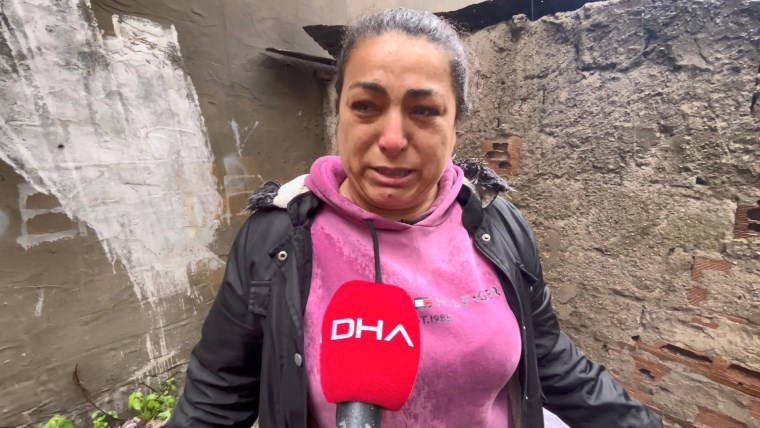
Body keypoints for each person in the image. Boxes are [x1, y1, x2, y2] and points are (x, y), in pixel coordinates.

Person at [167, 8, 663, 428]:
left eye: (424, 111)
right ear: (339, 112)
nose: (392, 139)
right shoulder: (276, 237)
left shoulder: (496, 224)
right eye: (366, 106)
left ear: (457, 122)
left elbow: (548, 355)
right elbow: (216, 397)